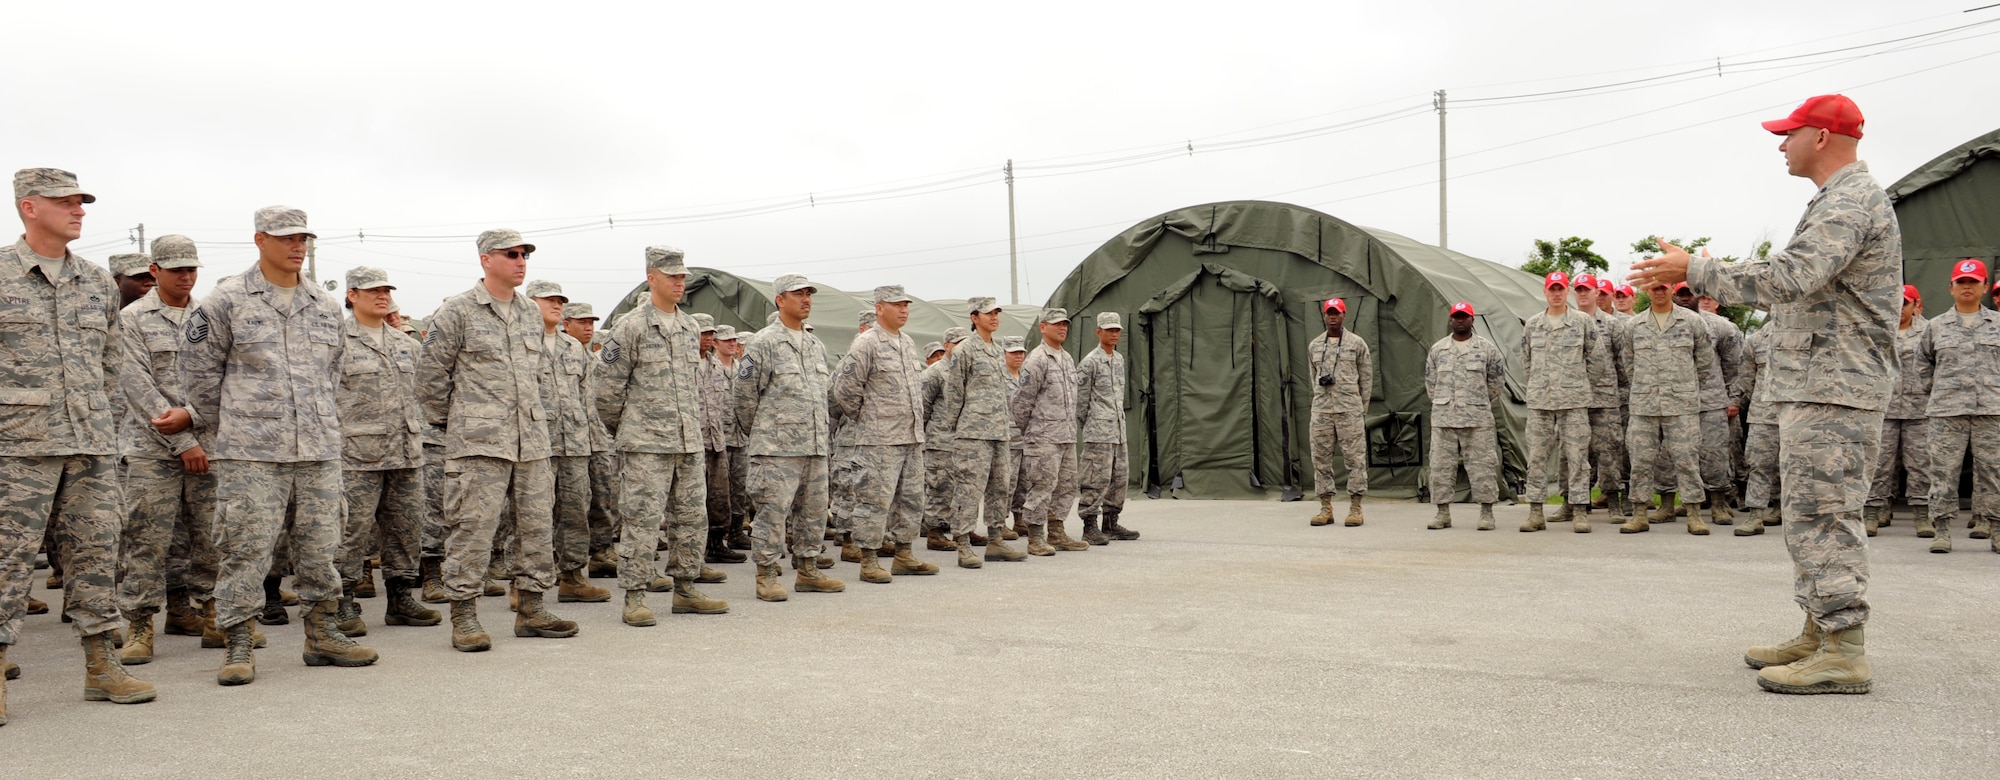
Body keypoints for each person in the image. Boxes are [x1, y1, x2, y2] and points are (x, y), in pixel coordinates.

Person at [1633, 93, 1900, 694]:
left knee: (1825, 516)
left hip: (1838, 387)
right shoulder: (1838, 200)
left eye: (1789, 133)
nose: (1782, 144)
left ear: (1822, 137)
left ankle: (1844, 651)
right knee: (1810, 513)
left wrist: (1694, 273)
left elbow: (1788, 277)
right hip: (1823, 385)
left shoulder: (1850, 201)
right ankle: (1819, 631)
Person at [182, 205, 377, 683]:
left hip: (318, 450)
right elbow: (199, 378)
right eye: (287, 238)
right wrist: (236, 426)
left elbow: (333, 375)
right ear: (259, 239)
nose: (298, 246)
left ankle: (323, 631)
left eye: (304, 238)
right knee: (245, 548)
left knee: (321, 545)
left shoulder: (326, 305)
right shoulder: (224, 300)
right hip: (252, 452)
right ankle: (239, 642)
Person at [1, 168, 155, 721]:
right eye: (65, 202)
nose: (79, 210)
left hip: (89, 444)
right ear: (29, 207)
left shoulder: (95, 282)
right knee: (7, 561)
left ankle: (101, 664)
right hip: (16, 448)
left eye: (82, 202)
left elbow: (111, 365)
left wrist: (100, 424)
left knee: (96, 555)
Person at [419, 229, 578, 651]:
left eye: (524, 254)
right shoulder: (456, 311)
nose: (521, 260)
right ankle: (465, 615)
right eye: (511, 254)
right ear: (487, 260)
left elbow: (537, 375)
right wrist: (460, 423)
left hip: (530, 440)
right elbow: (430, 378)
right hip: (479, 442)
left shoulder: (529, 312)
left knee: (535, 526)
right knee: (472, 528)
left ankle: (531, 607)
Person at [594, 248, 727, 625]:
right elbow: (605, 390)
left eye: (683, 276)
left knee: (690, 518)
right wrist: (629, 429)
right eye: (672, 276)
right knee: (641, 520)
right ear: (652, 278)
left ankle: (685, 588)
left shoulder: (688, 329)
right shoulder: (631, 326)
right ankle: (635, 596)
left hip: (688, 441)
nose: (680, 282)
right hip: (645, 445)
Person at [113, 235, 216, 665]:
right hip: (150, 448)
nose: (186, 276)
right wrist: (182, 439)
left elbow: (225, 378)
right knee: (146, 539)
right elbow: (136, 384)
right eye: (176, 269)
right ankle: (140, 624)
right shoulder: (131, 318)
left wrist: (193, 418)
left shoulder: (211, 316)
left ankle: (214, 615)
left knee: (213, 535)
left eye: (191, 268)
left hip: (209, 443)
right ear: (155, 271)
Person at [332, 266, 439, 637]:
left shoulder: (406, 344)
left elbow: (427, 393)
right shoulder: (337, 342)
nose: (383, 295)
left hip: (407, 452)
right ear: (352, 296)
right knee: (351, 530)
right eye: (373, 290)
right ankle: (343, 601)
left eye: (386, 290)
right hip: (355, 456)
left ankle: (400, 598)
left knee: (407, 528)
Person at [734, 274, 845, 601]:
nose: (806, 299)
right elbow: (743, 396)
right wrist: (764, 433)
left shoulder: (814, 345)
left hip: (813, 445)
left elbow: (822, 395)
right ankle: (766, 574)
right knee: (771, 511)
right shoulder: (764, 342)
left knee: (813, 511)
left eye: (809, 294)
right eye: (798, 294)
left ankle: (808, 569)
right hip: (776, 448)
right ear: (780, 300)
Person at [827, 285, 938, 582]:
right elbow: (845, 390)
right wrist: (868, 419)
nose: (904, 309)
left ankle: (903, 554)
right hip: (878, 439)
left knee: (911, 499)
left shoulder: (906, 342)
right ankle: (869, 559)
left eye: (906, 305)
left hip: (910, 437)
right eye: (896, 305)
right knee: (874, 500)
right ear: (879, 308)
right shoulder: (867, 343)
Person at [525, 281, 612, 604]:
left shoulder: (573, 349)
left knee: (575, 512)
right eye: (549, 300)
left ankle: (572, 577)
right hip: (536, 445)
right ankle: (523, 585)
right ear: (528, 303)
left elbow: (587, 400)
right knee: (530, 516)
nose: (557, 305)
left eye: (560, 300)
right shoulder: (520, 344)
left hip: (575, 445)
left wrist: (591, 442)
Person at [1613, 281, 1716, 535]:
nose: (1659, 292)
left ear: (1671, 289)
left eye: (1663, 288)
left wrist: (1683, 385)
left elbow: (1704, 361)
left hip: (1681, 404)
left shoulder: (1692, 322)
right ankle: (1639, 513)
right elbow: (1628, 363)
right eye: (1654, 288)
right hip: (1644, 404)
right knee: (1640, 459)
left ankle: (1693, 513)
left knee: (1687, 459)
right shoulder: (1634, 326)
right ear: (1647, 292)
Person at [1916, 260, 2000, 554]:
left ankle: (1996, 528)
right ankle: (1941, 528)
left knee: (1994, 472)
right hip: (1946, 412)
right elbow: (1923, 366)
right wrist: (1940, 393)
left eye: (1974, 282)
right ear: (1950, 288)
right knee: (1942, 472)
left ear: (1985, 288)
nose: (1968, 287)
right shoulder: (1935, 327)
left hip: (1992, 411)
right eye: (1961, 282)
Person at [936, 298, 1027, 566]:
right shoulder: (966, 350)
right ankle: (963, 543)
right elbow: (954, 391)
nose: (995, 317)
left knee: (1000, 487)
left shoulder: (998, 351)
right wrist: (957, 429)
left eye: (997, 313)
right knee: (969, 489)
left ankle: (996, 540)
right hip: (973, 434)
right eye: (989, 313)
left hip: (999, 432)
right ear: (974, 317)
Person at [1519, 273, 1604, 533]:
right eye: (1551, 289)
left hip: (1574, 401)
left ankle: (1579, 511)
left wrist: (1578, 384)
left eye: (1560, 289)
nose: (1556, 293)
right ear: (1545, 292)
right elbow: (1526, 360)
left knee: (1578, 457)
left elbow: (1597, 359)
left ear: (1566, 291)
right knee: (1536, 457)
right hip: (1541, 402)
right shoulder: (1533, 324)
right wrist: (1541, 383)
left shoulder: (1582, 322)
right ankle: (1535, 512)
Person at [1424, 303, 1506, 530]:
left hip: (1477, 419)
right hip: (1444, 418)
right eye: (1456, 317)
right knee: (1441, 467)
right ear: (1451, 320)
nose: (1460, 320)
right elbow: (1431, 384)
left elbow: (1496, 383)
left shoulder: (1486, 349)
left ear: (1472, 320)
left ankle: (1487, 513)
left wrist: (1476, 402)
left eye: (1465, 317)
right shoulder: (1438, 350)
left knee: (1483, 466)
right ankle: (1442, 513)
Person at [1013, 309, 1088, 554]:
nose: (1062, 328)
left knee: (1066, 486)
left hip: (1065, 435)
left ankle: (1057, 532)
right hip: (1043, 437)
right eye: (1057, 324)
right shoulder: (1037, 359)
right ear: (1043, 327)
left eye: (1065, 324)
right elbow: (1021, 402)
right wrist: (1032, 432)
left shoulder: (1066, 358)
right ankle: (1035, 537)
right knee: (1041, 486)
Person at [1867, 285, 1930, 536]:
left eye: (1904, 302)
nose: (1899, 308)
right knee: (1879, 463)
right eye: (1895, 302)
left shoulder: (1928, 331)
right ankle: (1872, 512)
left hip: (1919, 409)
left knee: (1921, 465)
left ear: (1915, 305)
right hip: (1886, 409)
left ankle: (1923, 516)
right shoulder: (1879, 332)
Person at [1306, 298, 1371, 527]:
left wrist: (1359, 408)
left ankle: (1356, 507)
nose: (1332, 316)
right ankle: (1326, 507)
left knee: (1354, 459)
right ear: (1324, 316)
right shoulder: (1314, 345)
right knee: (1320, 460)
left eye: (1337, 312)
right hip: (1322, 410)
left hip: (1349, 410)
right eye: (1329, 313)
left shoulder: (1357, 343)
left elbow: (1366, 378)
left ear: (1344, 315)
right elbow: (1312, 377)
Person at [1076, 311, 1137, 543]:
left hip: (1118, 431)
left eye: (1117, 330)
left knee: (1119, 478)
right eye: (1109, 329)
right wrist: (1093, 425)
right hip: (1098, 433)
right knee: (1095, 478)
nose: (1114, 333)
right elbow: (1080, 402)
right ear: (1098, 332)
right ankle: (1089, 525)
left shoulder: (1118, 359)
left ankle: (1110, 523)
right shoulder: (1090, 362)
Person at [920, 327, 970, 551]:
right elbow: (923, 408)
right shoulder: (934, 373)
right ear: (947, 345)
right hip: (940, 441)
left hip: (964, 439)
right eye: (957, 343)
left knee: (965, 487)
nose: (962, 347)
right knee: (940, 487)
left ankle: (963, 529)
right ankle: (935, 531)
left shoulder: (968, 370)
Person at [1735, 325, 1780, 536]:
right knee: (1758, 463)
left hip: (1800, 415)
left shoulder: (1809, 330)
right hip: (1764, 414)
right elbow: (1746, 378)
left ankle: (1786, 510)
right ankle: (1756, 515)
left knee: (1798, 466)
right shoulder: (1757, 338)